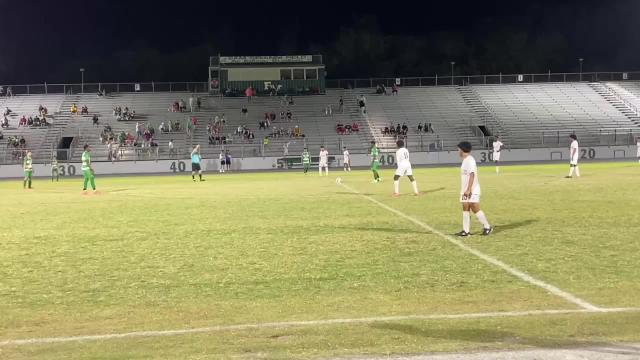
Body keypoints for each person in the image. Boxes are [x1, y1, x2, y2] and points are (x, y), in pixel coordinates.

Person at [456, 141, 492, 237]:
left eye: (458, 149)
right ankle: (466, 231)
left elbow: (472, 174)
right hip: (465, 189)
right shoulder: (465, 160)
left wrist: (468, 189)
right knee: (465, 207)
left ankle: (487, 226)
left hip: (472, 189)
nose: (457, 151)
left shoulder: (470, 160)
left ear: (463, 149)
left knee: (474, 207)